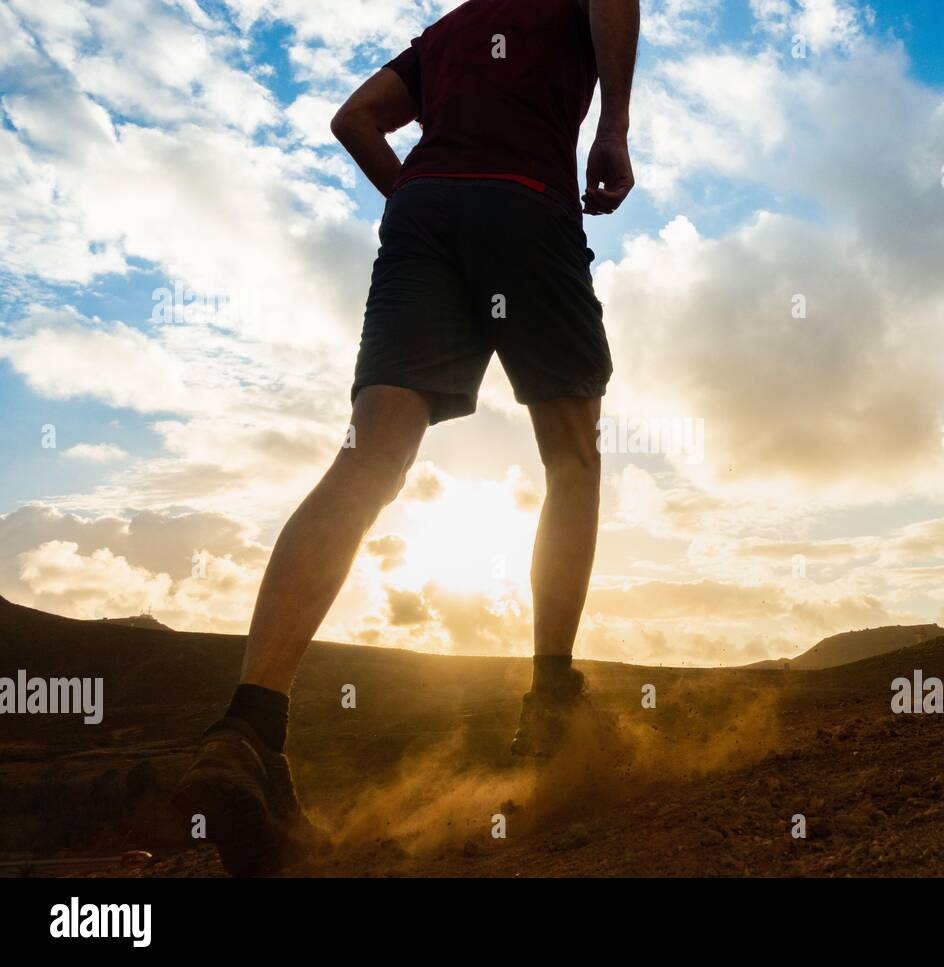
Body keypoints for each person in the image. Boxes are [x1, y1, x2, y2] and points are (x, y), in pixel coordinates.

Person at [173, 0, 639, 876]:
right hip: (527, 203)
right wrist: (611, 128)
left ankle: (247, 729)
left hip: (421, 217)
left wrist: (424, 204)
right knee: (571, 455)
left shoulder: (453, 29)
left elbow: (352, 119)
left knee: (369, 458)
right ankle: (550, 703)